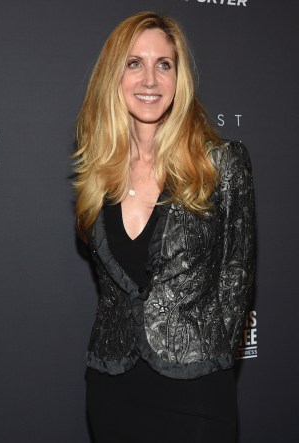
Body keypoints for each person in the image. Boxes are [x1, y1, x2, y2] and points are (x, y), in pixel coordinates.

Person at [73, 11, 255, 443]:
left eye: (164, 64)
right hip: (112, 386)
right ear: (113, 76)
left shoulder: (221, 163)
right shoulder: (98, 174)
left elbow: (237, 277)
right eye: (134, 63)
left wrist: (206, 359)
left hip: (196, 394)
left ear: (179, 77)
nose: (150, 80)